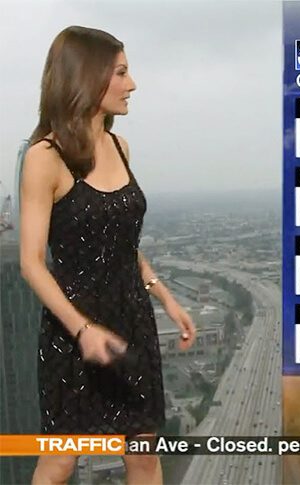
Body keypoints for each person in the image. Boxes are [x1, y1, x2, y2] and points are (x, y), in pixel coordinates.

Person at [19, 26, 196, 484]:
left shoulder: (120, 147)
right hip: (72, 327)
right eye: (121, 72)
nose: (131, 84)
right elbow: (31, 263)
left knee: (143, 456)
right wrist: (83, 330)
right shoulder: (45, 157)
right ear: (87, 77)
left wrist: (165, 298)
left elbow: (122, 246)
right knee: (60, 461)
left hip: (131, 321)